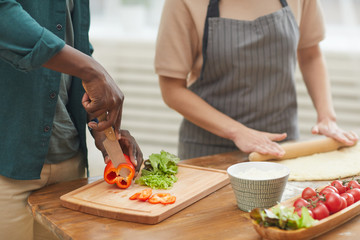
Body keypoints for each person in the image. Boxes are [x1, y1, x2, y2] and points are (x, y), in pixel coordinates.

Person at [0, 1, 143, 240]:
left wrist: (102, 128)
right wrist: (92, 70)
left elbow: (75, 47)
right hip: (7, 164)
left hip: (69, 163)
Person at [155, 0, 358, 160]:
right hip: (208, 152)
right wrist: (238, 132)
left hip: (279, 147)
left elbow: (310, 54)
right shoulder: (182, 2)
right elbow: (172, 89)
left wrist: (326, 118)